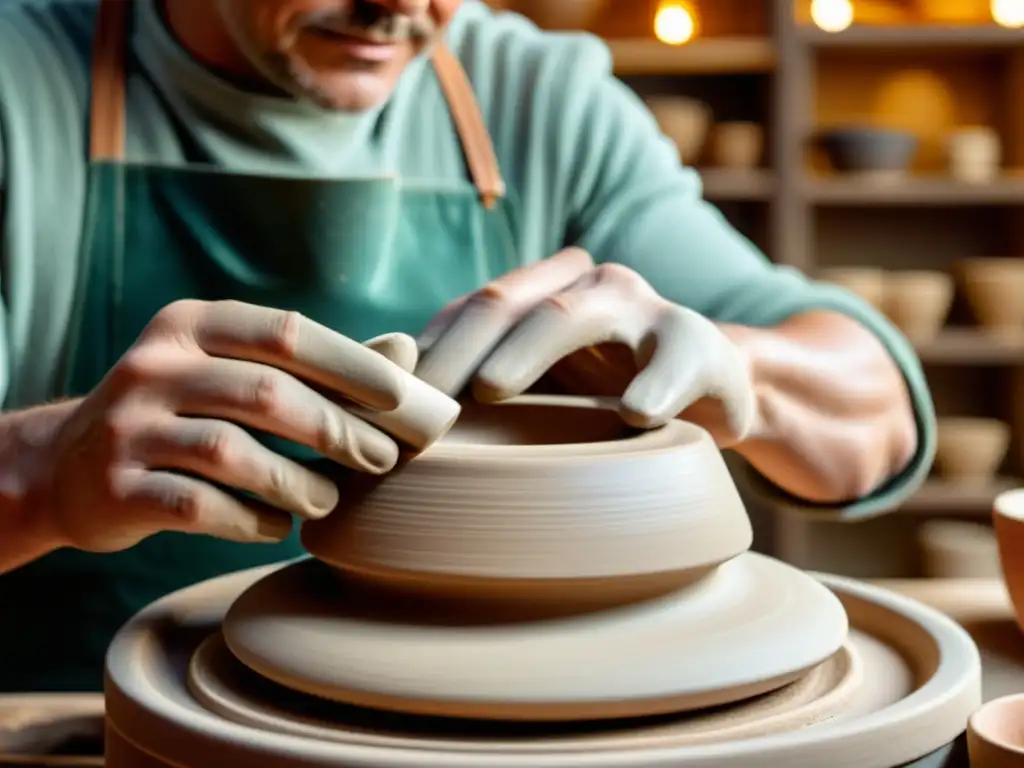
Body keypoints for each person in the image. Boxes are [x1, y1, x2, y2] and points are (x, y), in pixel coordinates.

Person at [0, 0, 933, 693]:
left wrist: (746, 377)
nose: (400, 8)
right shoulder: (20, 75)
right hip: (91, 728)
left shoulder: (536, 97)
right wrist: (43, 473)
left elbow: (878, 420)